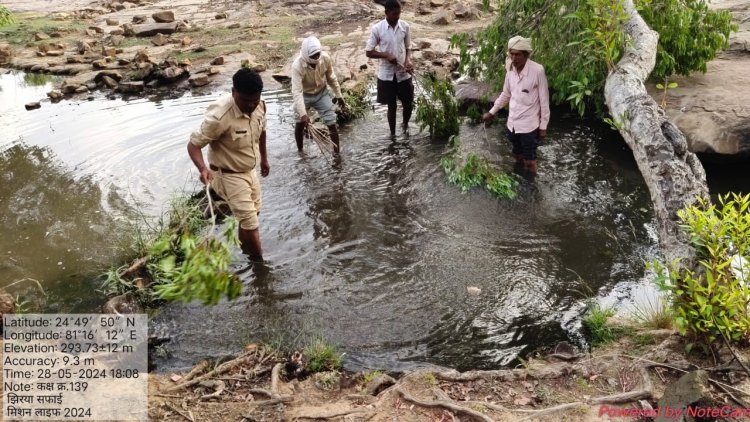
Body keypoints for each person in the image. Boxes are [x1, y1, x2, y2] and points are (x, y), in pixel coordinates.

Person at [187, 68, 270, 262]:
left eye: (254, 100)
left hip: (250, 171)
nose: (250, 105)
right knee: (251, 223)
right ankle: (260, 268)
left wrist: (264, 159)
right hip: (228, 175)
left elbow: (263, 131)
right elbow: (193, 146)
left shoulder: (260, 106)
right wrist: (203, 169)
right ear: (233, 92)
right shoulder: (219, 117)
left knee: (252, 216)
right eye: (245, 101)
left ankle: (246, 254)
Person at [483, 36, 550, 176]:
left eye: (518, 54)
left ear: (526, 55)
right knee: (518, 156)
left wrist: (543, 127)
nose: (514, 58)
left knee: (530, 161)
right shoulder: (510, 70)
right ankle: (520, 177)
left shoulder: (537, 71)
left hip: (529, 126)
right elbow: (506, 94)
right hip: (512, 124)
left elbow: (544, 100)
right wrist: (492, 112)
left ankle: (531, 187)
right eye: (511, 54)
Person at [365, 0, 414, 138]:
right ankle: (393, 135)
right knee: (391, 106)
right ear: (386, 13)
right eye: (394, 14)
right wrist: (385, 55)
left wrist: (408, 60)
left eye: (399, 13)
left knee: (408, 103)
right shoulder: (377, 29)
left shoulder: (405, 26)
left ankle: (405, 124)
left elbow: (408, 47)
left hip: (404, 72)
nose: (397, 16)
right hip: (387, 74)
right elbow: (369, 52)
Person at [291, 36, 345, 153]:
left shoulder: (325, 58)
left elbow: (331, 78)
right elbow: (297, 92)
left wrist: (339, 95)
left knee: (331, 123)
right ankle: (301, 152)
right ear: (305, 55)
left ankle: (337, 154)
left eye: (317, 54)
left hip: (321, 93)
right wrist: (304, 114)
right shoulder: (297, 66)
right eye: (313, 56)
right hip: (304, 95)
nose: (316, 58)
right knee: (299, 123)